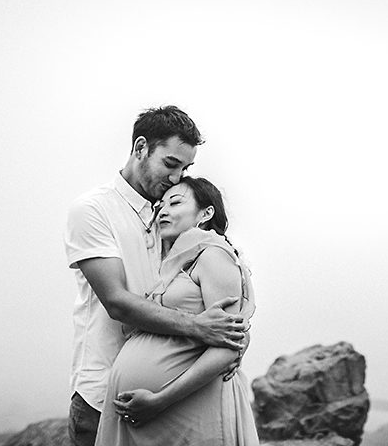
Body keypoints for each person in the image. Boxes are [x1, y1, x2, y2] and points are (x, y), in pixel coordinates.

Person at [65, 106, 249, 446]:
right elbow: (118, 303)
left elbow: (216, 299)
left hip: (177, 399)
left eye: (186, 168)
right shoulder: (93, 210)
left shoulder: (177, 217)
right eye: (170, 164)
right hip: (102, 395)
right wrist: (200, 327)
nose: (177, 177)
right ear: (140, 149)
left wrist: (235, 341)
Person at [95, 176, 258, 446]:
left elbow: (230, 343)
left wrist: (160, 400)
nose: (163, 211)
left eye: (175, 202)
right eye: (160, 206)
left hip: (188, 407)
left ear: (206, 213)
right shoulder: (169, 264)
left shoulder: (213, 255)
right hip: (153, 415)